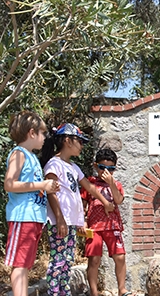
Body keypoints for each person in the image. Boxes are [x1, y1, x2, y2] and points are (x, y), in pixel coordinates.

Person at [40, 123, 115, 296]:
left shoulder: (73, 167)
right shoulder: (54, 164)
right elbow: (51, 192)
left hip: (71, 222)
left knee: (67, 260)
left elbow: (88, 187)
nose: (81, 145)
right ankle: (54, 292)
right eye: (79, 141)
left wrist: (105, 202)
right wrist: (59, 219)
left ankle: (63, 292)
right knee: (58, 260)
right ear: (68, 140)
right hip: (60, 221)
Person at [3, 111, 60, 296]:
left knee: (25, 264)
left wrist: (47, 188)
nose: (44, 138)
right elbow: (9, 184)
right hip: (22, 216)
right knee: (20, 264)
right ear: (32, 133)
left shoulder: (31, 157)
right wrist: (42, 184)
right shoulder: (19, 154)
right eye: (42, 133)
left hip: (33, 218)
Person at [81, 148, 131, 296]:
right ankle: (94, 292)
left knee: (120, 257)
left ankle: (122, 289)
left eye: (111, 169)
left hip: (112, 225)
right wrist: (83, 222)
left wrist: (111, 184)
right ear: (96, 166)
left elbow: (119, 200)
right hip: (94, 227)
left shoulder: (116, 184)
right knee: (94, 259)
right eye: (102, 167)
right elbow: (83, 205)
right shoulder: (90, 183)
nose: (106, 172)